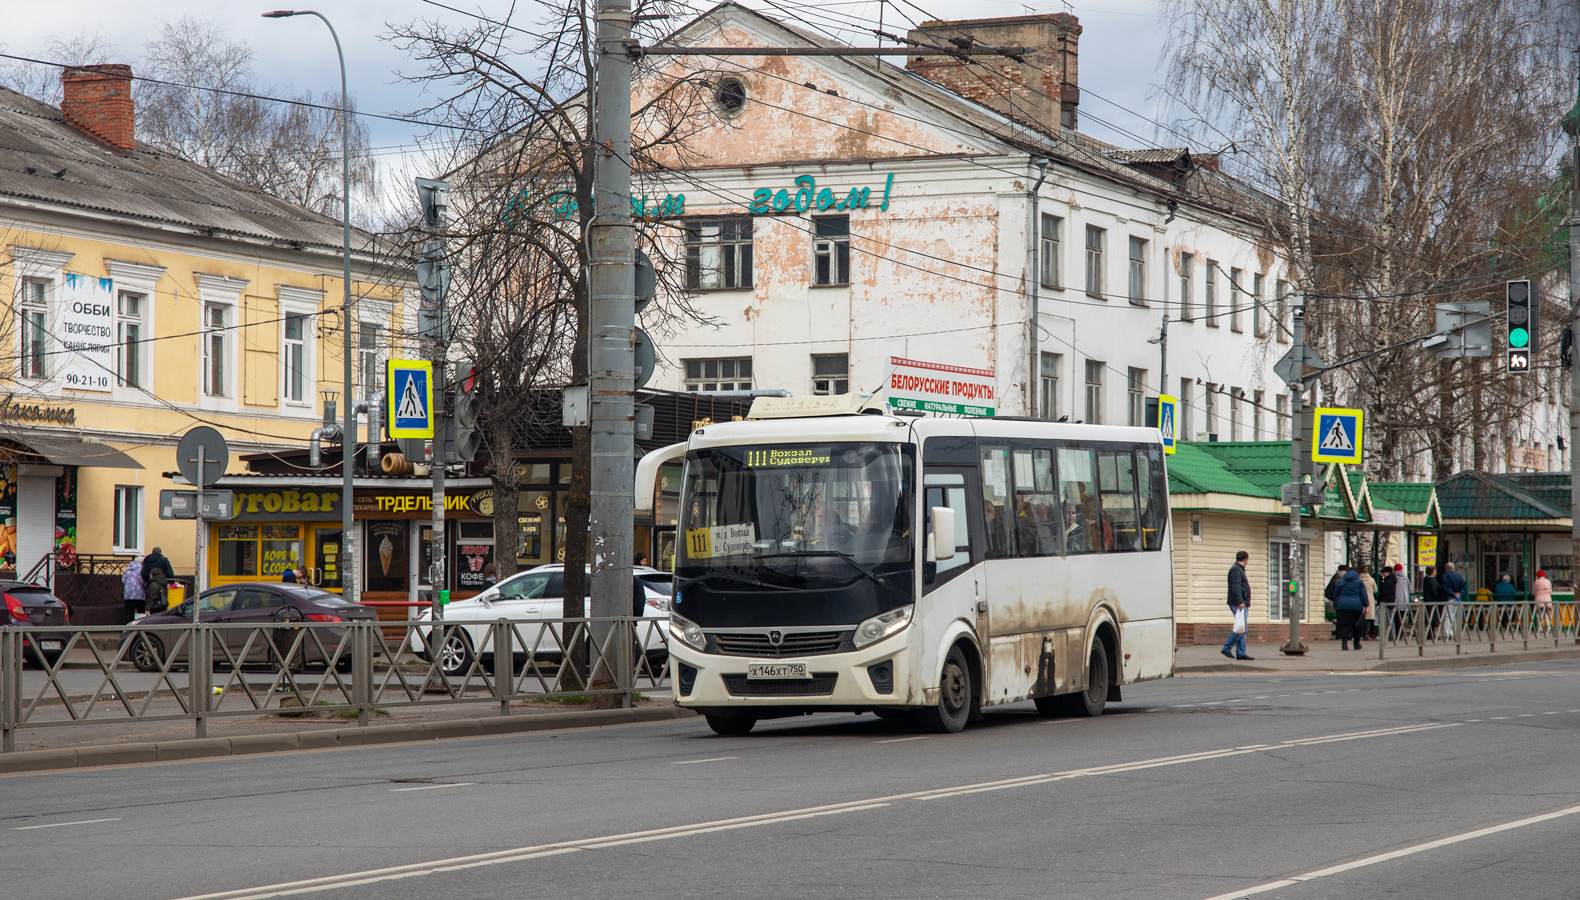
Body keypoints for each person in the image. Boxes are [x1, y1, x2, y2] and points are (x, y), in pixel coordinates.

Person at [1222, 550, 1254, 661]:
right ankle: (1227, 647)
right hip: (1238, 603)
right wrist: (1240, 601)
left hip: (1240, 602)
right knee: (1241, 628)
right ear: (1246, 559)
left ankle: (1241, 653)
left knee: (1242, 628)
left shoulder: (1238, 569)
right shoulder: (1236, 570)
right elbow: (1235, 587)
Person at [1334, 566, 1369, 650]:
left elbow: (1335, 594)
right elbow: (1364, 595)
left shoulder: (1340, 581)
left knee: (1344, 625)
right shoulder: (1359, 582)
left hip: (1342, 606)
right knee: (1356, 625)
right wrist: (1366, 604)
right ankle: (1356, 644)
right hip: (1356, 606)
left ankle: (1344, 644)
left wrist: (1336, 604)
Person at [142, 546, 175, 613]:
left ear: (152, 552)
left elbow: (142, 573)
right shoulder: (164, 559)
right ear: (160, 552)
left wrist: (148, 581)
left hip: (151, 584)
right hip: (162, 585)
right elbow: (170, 573)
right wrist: (169, 582)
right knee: (162, 602)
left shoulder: (147, 559)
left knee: (151, 599)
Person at [1441, 561, 1468, 639]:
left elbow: (1445, 588)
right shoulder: (1459, 576)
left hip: (1449, 598)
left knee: (1448, 615)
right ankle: (1456, 632)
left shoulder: (1444, 576)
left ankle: (1448, 633)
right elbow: (1464, 586)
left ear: (1446, 568)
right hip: (1458, 599)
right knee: (1456, 616)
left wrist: (1453, 594)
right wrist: (1459, 593)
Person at [1421, 565, 1446, 638]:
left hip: (1429, 601)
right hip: (1433, 602)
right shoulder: (1432, 581)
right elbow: (1436, 591)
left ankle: (1430, 634)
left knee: (1430, 619)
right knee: (1432, 619)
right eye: (1435, 571)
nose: (1436, 573)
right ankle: (1431, 634)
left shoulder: (1426, 579)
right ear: (1432, 572)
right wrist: (1440, 598)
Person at [1357, 564, 1379, 639]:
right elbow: (1376, 590)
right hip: (1369, 599)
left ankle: (1359, 633)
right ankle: (1366, 634)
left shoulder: (1358, 580)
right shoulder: (1372, 580)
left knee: (1360, 617)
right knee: (1369, 618)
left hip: (1359, 599)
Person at [122, 554, 145, 623]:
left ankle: (127, 628)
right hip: (139, 594)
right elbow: (142, 581)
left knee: (128, 613)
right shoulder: (141, 569)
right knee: (140, 613)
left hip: (128, 594)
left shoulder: (128, 568)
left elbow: (123, 579)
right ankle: (139, 627)